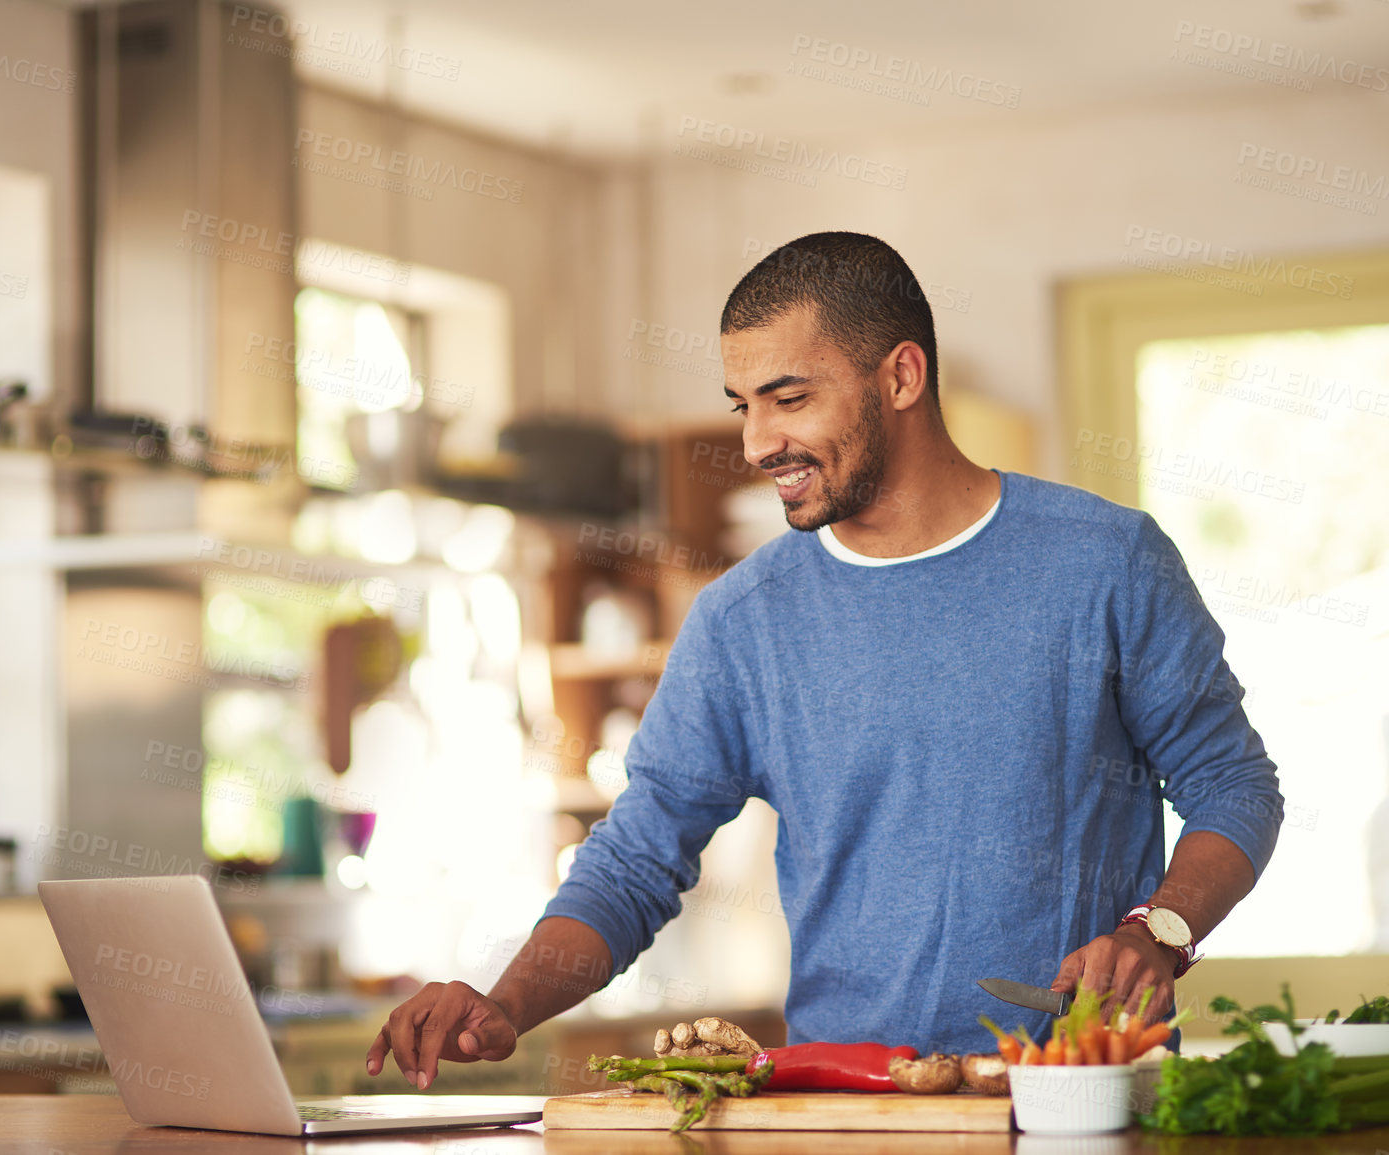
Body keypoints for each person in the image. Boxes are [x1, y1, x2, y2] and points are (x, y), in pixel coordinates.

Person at [367, 231, 1284, 1088]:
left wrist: (1157, 931)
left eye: (790, 397)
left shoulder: (1102, 562)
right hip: (844, 1105)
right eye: (744, 405)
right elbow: (637, 856)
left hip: (1075, 1096)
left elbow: (1234, 786)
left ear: (901, 375)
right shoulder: (742, 621)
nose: (757, 442)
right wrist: (503, 1002)